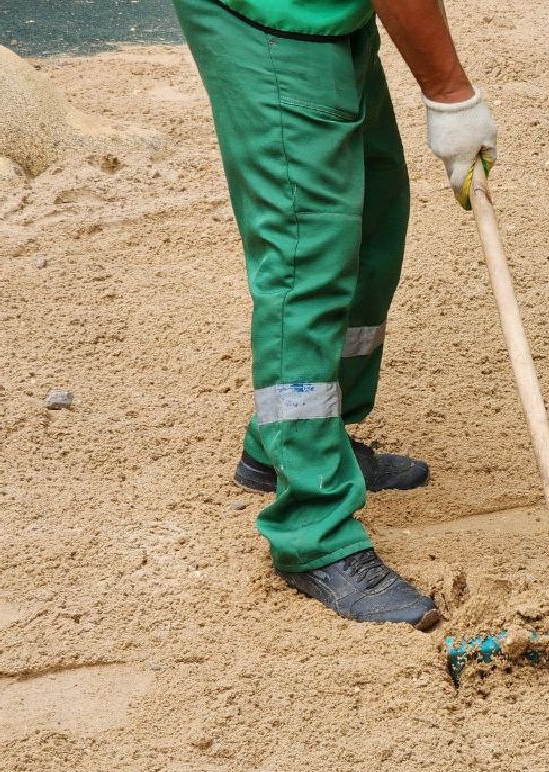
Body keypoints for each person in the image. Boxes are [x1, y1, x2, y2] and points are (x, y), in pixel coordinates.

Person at [173, 0, 496, 628]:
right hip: (267, 18)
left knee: (372, 217)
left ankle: (289, 447)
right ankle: (313, 531)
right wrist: (451, 95)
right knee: (308, 248)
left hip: (328, 13)